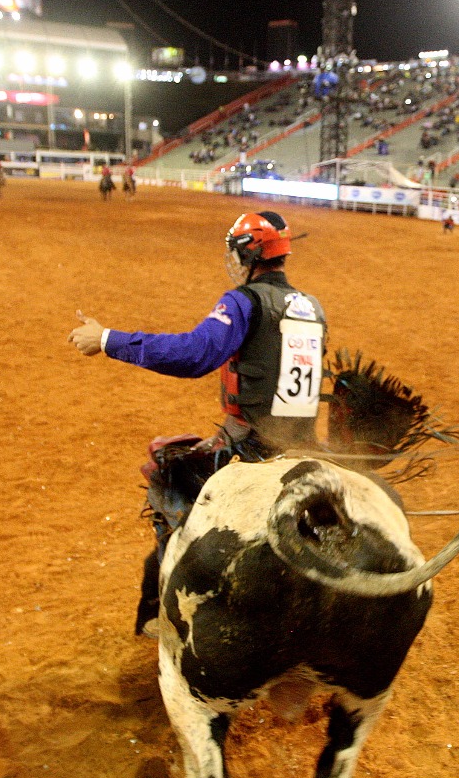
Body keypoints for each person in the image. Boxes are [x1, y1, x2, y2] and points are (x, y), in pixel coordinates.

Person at [67, 210, 326, 636]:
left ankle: (168, 607)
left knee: (165, 475)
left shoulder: (243, 302)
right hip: (303, 447)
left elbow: (194, 354)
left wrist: (108, 339)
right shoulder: (313, 308)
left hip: (251, 444)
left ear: (251, 255)